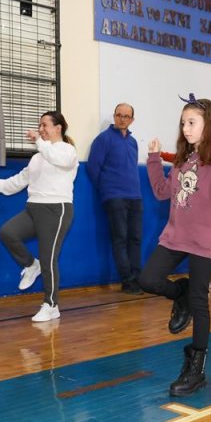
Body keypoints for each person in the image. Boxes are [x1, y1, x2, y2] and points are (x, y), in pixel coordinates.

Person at [139, 94, 211, 397]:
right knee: (148, 279)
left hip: (203, 242)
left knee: (200, 303)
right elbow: (161, 192)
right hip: (175, 236)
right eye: (183, 122)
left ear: (208, 125)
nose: (186, 128)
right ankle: (179, 293)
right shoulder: (183, 161)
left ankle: (196, 368)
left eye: (192, 122)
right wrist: (153, 159)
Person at [0, 112, 77, 320]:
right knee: (8, 232)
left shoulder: (67, 151)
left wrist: (39, 142)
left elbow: (57, 158)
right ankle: (29, 264)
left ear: (58, 128)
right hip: (33, 208)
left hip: (56, 210)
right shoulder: (37, 158)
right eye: (39, 125)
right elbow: (20, 179)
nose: (41, 129)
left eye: (45, 125)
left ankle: (51, 305)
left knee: (49, 258)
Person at [86, 103, 143, 294]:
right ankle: (127, 280)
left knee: (135, 239)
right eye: (119, 115)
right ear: (114, 117)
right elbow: (93, 168)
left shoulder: (133, 142)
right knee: (120, 238)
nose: (122, 119)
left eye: (127, 116)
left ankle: (137, 277)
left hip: (135, 196)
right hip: (114, 197)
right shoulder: (103, 139)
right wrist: (107, 190)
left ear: (132, 119)